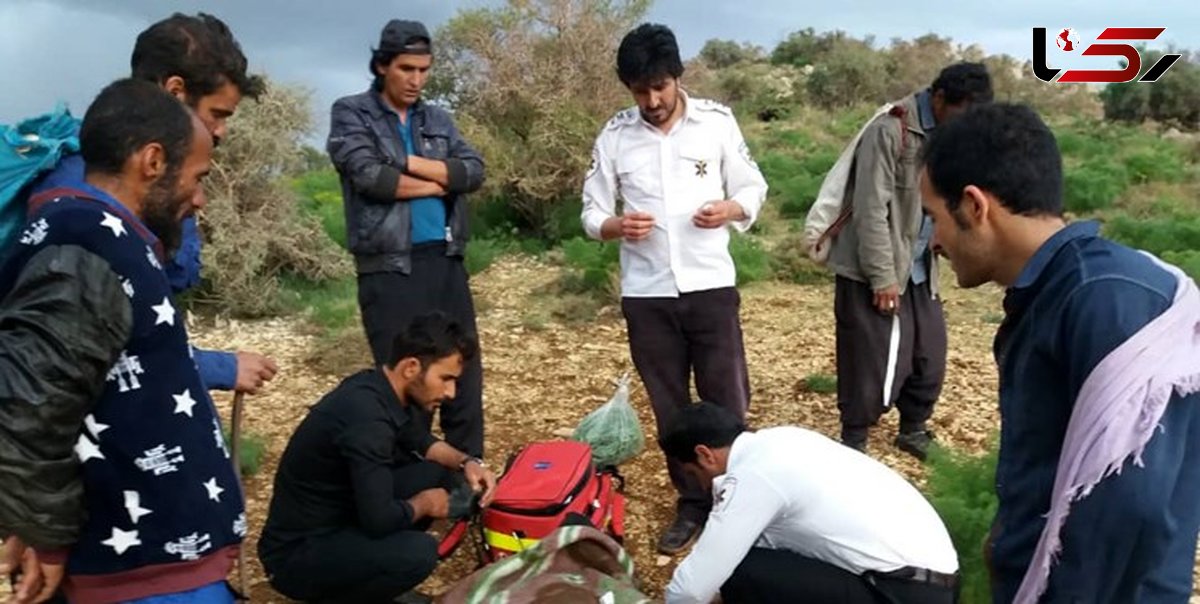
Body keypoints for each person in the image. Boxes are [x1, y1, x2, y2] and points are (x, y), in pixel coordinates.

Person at [920, 103, 1200, 603]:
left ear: (975, 206)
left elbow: (1130, 503)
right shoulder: (1067, 291)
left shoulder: (1104, 300)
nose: (932, 241)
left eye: (932, 218)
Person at [0, 79, 244, 604]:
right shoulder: (82, 248)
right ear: (152, 161)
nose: (199, 198)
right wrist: (46, 534)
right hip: (137, 578)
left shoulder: (105, 241)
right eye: (197, 177)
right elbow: (28, 409)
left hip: (158, 562)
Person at [580, 23, 768, 554]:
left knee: (727, 397)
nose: (653, 100)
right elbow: (591, 210)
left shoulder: (716, 122)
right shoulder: (615, 136)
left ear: (677, 77)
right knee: (669, 404)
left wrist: (732, 208)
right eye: (640, 91)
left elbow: (753, 185)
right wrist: (614, 226)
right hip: (647, 293)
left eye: (660, 86)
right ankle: (692, 501)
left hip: (710, 285)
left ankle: (741, 499)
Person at [27, 12, 278, 396]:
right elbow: (86, 350)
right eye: (218, 114)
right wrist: (219, 368)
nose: (221, 131)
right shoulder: (84, 203)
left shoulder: (129, 182)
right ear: (175, 92)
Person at [258, 311, 497, 604]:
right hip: (296, 556)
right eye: (445, 378)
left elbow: (419, 440)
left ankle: (370, 573)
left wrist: (467, 462)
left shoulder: (377, 387)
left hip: (339, 517)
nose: (451, 392)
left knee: (437, 472)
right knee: (418, 553)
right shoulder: (367, 423)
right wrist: (425, 504)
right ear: (411, 367)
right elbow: (380, 520)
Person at [327, 19, 486, 458]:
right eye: (406, 69)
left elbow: (473, 171)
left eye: (424, 70)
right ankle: (406, 482)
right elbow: (371, 177)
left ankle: (467, 477)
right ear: (382, 66)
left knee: (463, 374)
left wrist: (407, 162)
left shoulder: (437, 118)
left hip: (446, 260)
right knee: (406, 379)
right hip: (390, 267)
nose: (416, 79)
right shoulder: (351, 112)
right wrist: (441, 180)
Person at [826, 62, 992, 459]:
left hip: (919, 265)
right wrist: (882, 277)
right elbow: (870, 209)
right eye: (960, 114)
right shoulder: (890, 130)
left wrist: (943, 231)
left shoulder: (951, 137)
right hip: (874, 265)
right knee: (869, 357)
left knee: (927, 352)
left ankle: (913, 428)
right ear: (938, 99)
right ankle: (853, 441)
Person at [659, 401, 959, 603]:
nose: (701, 485)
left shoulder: (752, 477)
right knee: (751, 558)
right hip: (936, 582)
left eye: (693, 473)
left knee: (740, 572)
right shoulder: (781, 440)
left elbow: (693, 589)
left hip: (903, 592)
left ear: (705, 455)